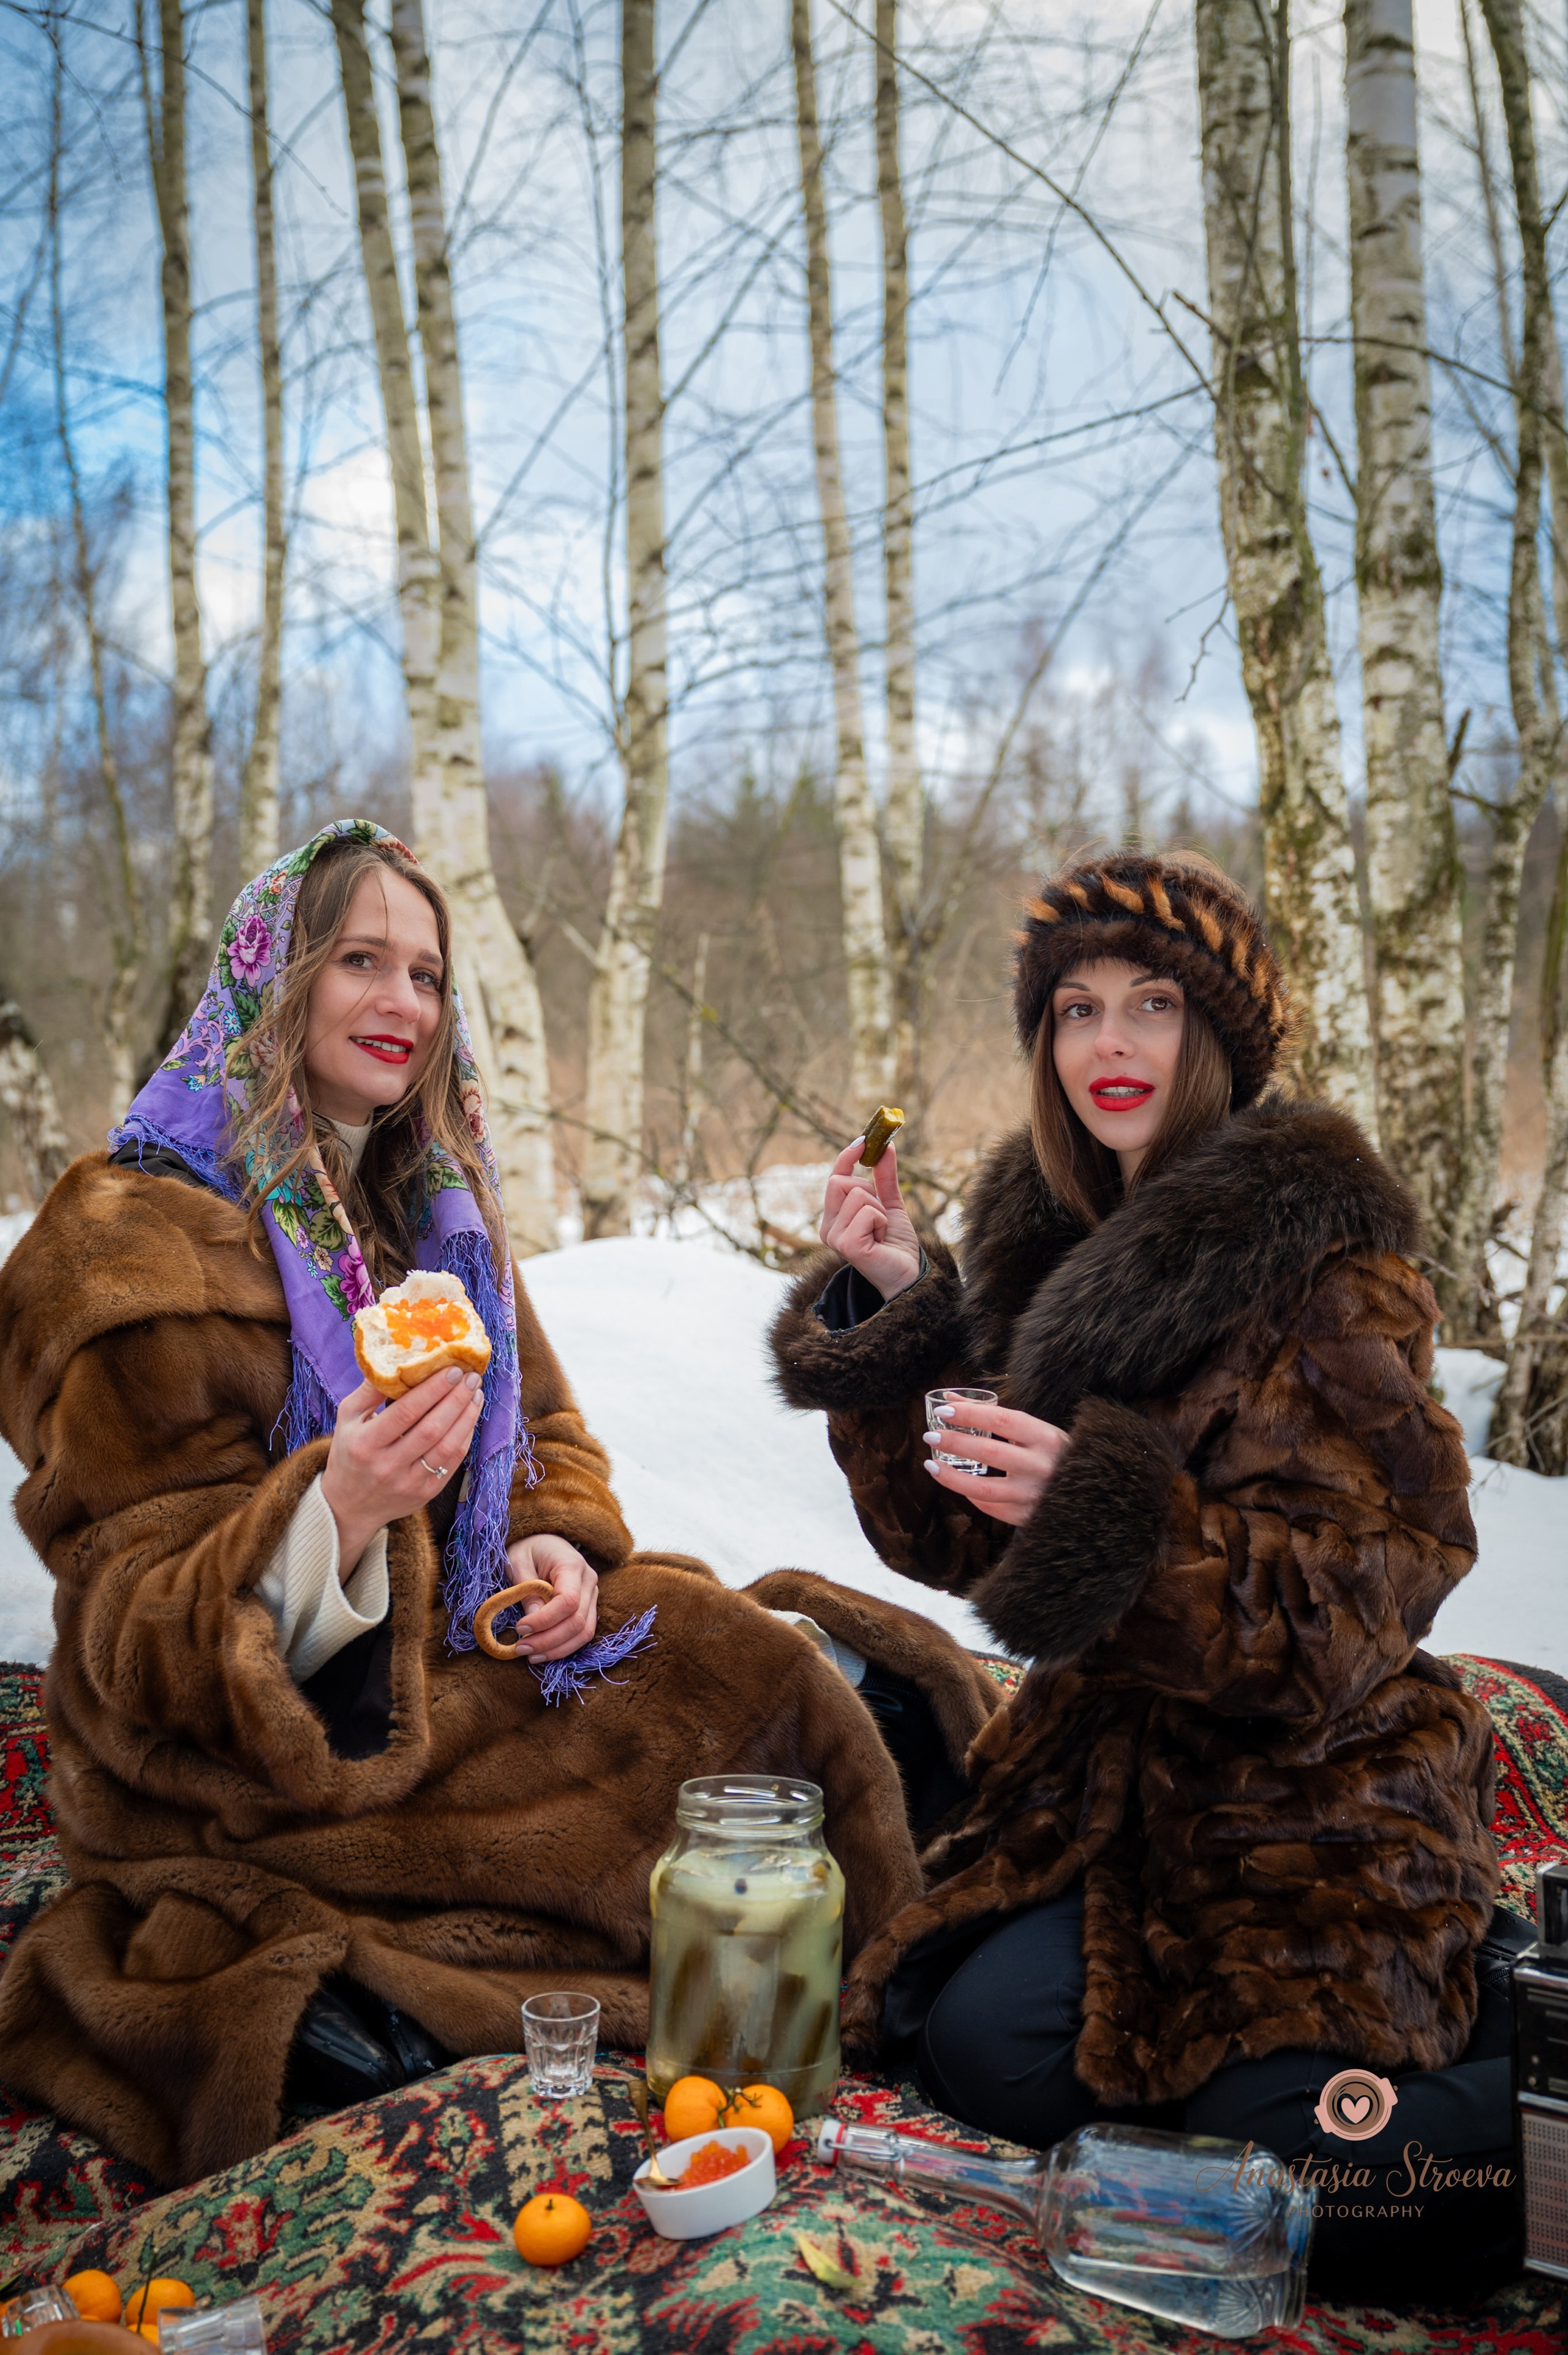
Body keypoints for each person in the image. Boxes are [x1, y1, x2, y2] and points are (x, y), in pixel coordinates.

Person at [0, 818, 999, 2189]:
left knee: (765, 1663)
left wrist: (550, 1539)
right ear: (268, 979)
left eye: (426, 972)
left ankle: (928, 1960)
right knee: (687, 1779)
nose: (401, 1003)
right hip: (258, 1748)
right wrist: (336, 1512)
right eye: (358, 959)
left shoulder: (432, 1203)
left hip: (467, 1652)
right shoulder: (124, 1243)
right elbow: (133, 1627)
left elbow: (542, 1439)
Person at [770, 849, 1522, 2306]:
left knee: (1299, 2181)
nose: (1107, 1045)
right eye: (1073, 1008)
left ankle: (1506, 2049)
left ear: (1216, 1034)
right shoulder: (1045, 1236)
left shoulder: (1326, 1261)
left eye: (1150, 1003)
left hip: (1312, 1781)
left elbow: (1375, 1589)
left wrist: (1122, 1516)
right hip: (1114, 1778)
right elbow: (954, 1544)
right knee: (976, 2043)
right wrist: (902, 1308)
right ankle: (1421, 2021)